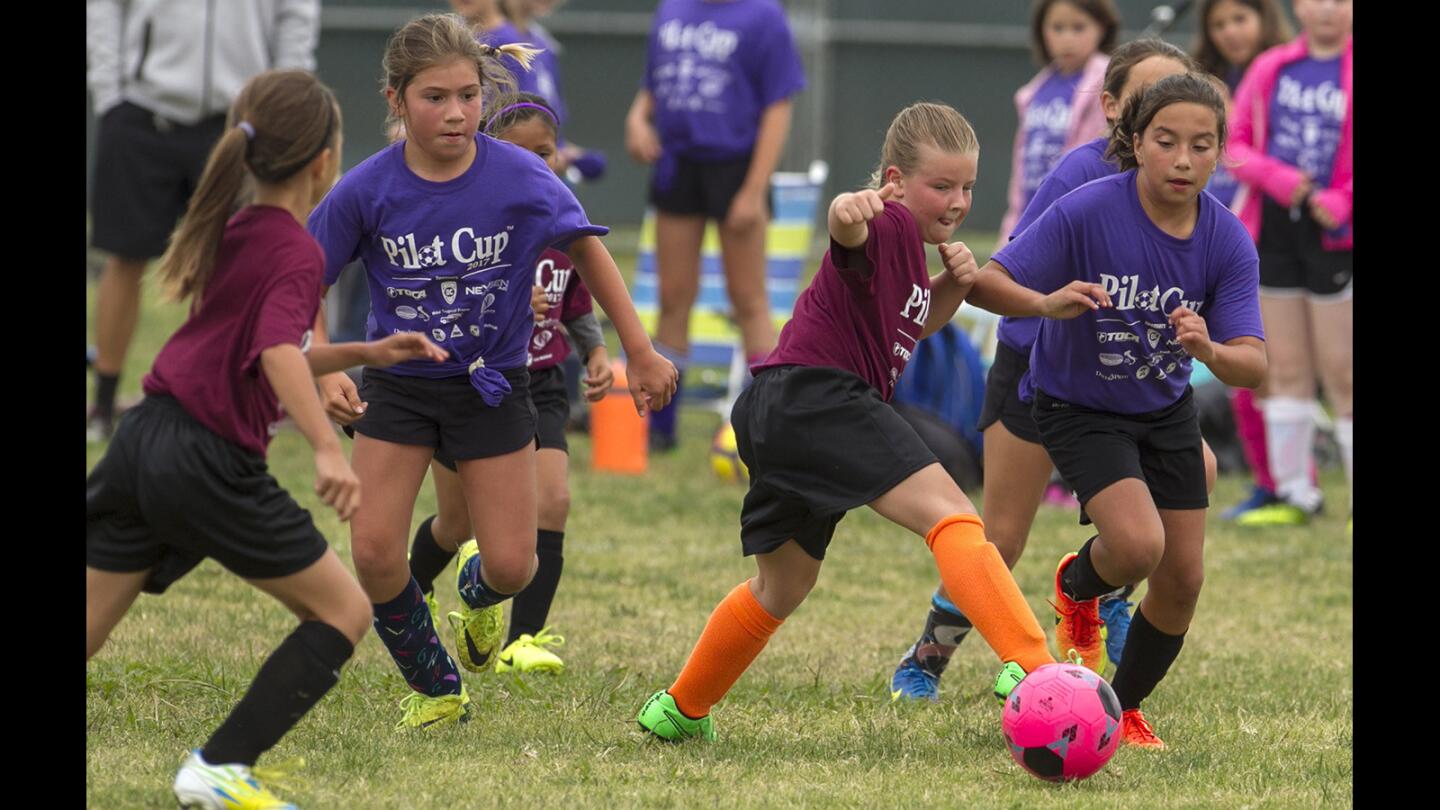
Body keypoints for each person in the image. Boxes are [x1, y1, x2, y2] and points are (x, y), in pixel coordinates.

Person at [635, 102, 1102, 743]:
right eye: (941, 185)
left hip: (777, 406)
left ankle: (679, 710)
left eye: (967, 186)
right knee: (954, 518)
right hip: (819, 396)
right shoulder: (885, 225)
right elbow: (846, 231)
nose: (957, 200)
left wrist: (948, 290)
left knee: (783, 584)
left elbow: (903, 328)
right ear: (894, 180)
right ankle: (1038, 670)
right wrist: (848, 212)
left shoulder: (914, 253)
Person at [86, 70, 449, 807]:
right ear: (324, 162)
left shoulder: (236, 227)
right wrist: (322, 444)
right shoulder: (295, 249)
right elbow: (277, 355)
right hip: (204, 456)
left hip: (144, 437)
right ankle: (220, 766)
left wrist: (364, 354)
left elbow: (261, 343)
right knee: (344, 612)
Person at [307, 13, 676, 729]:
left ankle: (476, 599)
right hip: (401, 388)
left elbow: (586, 249)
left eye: (469, 96)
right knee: (376, 551)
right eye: (435, 97)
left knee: (513, 566)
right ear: (396, 100)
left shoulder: (519, 175)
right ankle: (438, 689)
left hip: (493, 384)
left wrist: (639, 348)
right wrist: (324, 368)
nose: (455, 113)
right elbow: (304, 280)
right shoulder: (367, 188)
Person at [890, 38, 1200, 702]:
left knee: (1189, 477)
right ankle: (927, 657)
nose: (1167, 117)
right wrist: (1053, 307)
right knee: (999, 540)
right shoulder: (1078, 175)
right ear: (1113, 106)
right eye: (1149, 100)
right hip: (1040, 371)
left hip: (1128, 388)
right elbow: (1009, 271)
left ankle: (1101, 590)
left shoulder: (1191, 187)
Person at [968, 73, 1267, 748]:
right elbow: (988, 281)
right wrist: (1045, 303)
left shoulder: (1225, 240)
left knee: (1183, 577)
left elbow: (1254, 362)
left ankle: (1114, 711)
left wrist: (1210, 348)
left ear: (1220, 152)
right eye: (1166, 141)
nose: (1184, 159)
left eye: (1201, 144)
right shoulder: (1088, 209)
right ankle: (1079, 585)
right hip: (1077, 404)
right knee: (1137, 546)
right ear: (1136, 143)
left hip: (1164, 409)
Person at [404, 93, 614, 675]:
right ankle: (407, 593)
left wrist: (595, 351)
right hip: (473, 381)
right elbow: (439, 291)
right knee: (458, 523)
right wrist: (504, 296)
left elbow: (576, 302)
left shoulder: (565, 222)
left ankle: (525, 638)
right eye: (522, 153)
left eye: (547, 153)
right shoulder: (475, 222)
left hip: (541, 383)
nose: (538, 165)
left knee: (556, 499)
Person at [86, 0, 321, 442]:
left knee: (244, 265)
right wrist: (110, 94)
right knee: (125, 256)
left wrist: (281, 100)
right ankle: (102, 405)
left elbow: (296, 14)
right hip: (141, 112)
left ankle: (230, 406)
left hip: (243, 119)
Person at [624, 0, 806, 450]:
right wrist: (637, 119)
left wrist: (753, 188)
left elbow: (778, 107)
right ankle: (662, 430)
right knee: (673, 297)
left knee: (748, 298)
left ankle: (765, 426)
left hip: (737, 166)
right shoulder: (671, 9)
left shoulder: (764, 16)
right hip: (678, 163)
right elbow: (653, 85)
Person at [1225, 0, 1351, 529]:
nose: (1325, 8)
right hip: (1274, 232)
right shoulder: (1271, 66)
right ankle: (1295, 493)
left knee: (1341, 371)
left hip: (1336, 238)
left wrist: (1342, 199)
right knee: (1287, 369)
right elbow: (1234, 146)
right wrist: (1280, 180)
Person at [1190, 0, 1297, 521]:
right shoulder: (1204, 81)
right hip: (1219, 236)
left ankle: (1294, 484)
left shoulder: (1287, 73)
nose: (1231, 31)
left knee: (1285, 370)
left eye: (1241, 18)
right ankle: (1268, 481)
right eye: (1219, 23)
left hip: (1275, 244)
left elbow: (1262, 157)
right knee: (1240, 366)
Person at [997, 0, 1120, 244]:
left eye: (1078, 27)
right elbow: (1022, 170)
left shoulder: (1108, 82)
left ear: (1102, 27)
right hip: (1030, 216)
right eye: (1057, 27)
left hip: (1079, 220)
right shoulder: (1035, 91)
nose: (1067, 38)